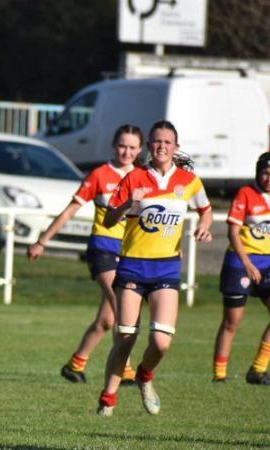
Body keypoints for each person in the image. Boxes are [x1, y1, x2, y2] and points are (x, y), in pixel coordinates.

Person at [96, 120, 213, 417]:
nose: (161, 147)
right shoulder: (134, 178)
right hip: (133, 266)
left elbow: (206, 210)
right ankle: (107, 401)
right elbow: (109, 221)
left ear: (175, 147)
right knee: (125, 337)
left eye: (167, 142)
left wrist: (204, 226)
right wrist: (125, 206)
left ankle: (145, 376)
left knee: (161, 342)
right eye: (156, 142)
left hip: (167, 269)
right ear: (149, 146)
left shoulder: (188, 181)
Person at [27, 124, 144, 385]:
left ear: (140, 150)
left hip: (130, 253)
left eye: (132, 147)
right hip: (102, 248)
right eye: (122, 145)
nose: (126, 151)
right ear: (114, 145)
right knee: (122, 306)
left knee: (106, 320)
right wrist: (42, 241)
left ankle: (75, 365)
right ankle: (125, 370)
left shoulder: (142, 177)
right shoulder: (100, 175)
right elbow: (70, 211)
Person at [212, 153, 270, 385]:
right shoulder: (246, 194)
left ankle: (257, 370)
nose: (268, 178)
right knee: (231, 321)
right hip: (239, 263)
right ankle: (219, 375)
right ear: (258, 172)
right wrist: (247, 264)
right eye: (265, 173)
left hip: (267, 263)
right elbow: (233, 232)